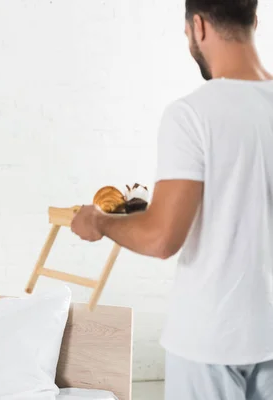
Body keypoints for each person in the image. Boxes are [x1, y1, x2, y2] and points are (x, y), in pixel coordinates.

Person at [70, 1, 273, 399]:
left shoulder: (192, 114)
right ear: (254, 20)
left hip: (210, 340)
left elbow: (162, 238)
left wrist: (100, 222)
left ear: (198, 26)